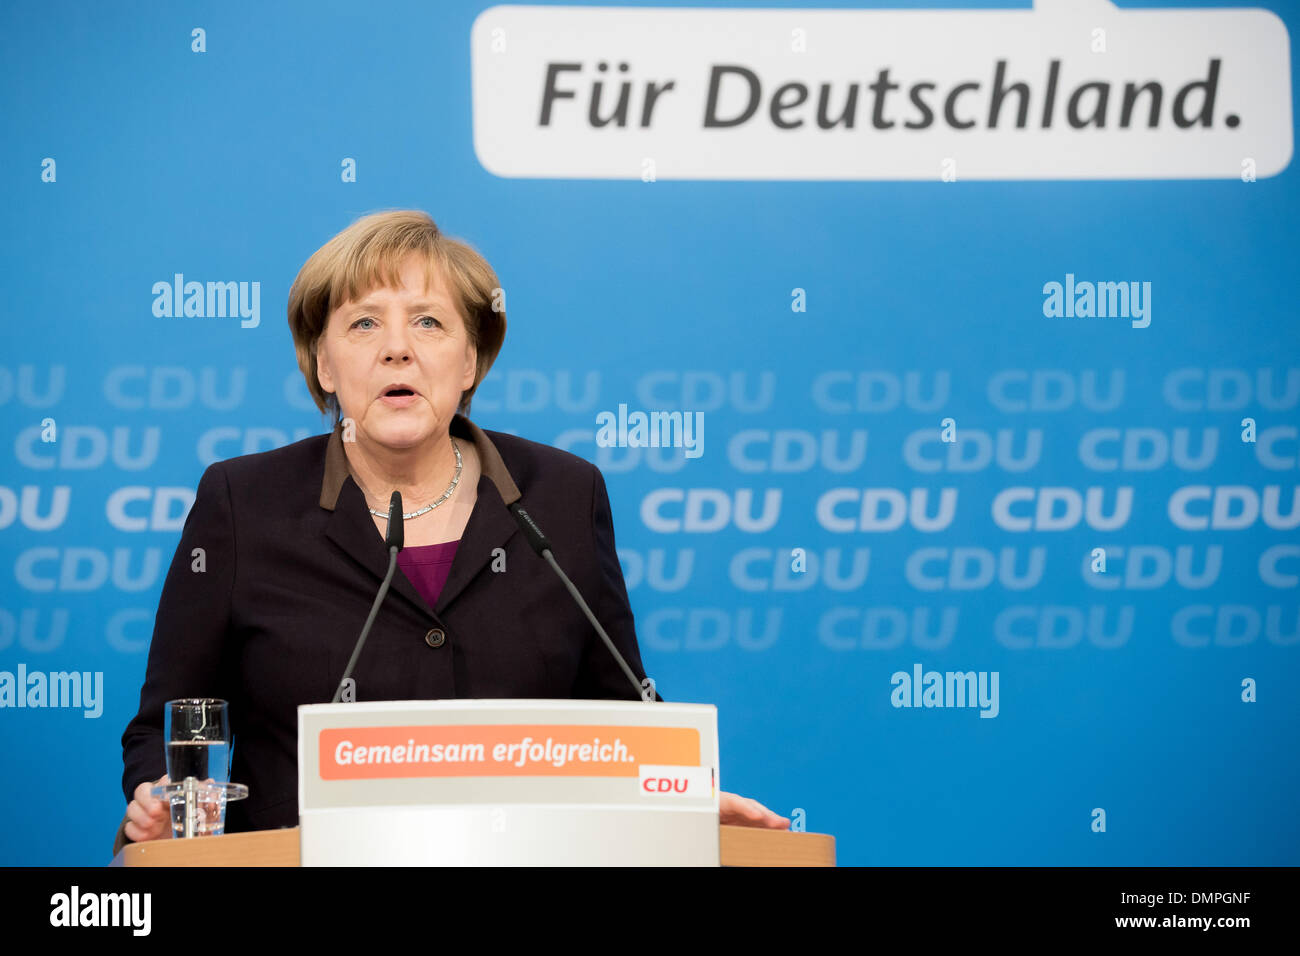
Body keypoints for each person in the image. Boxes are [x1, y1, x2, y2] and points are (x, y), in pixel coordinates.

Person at [115, 210, 787, 854]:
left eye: (429, 323)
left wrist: (685, 797)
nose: (398, 349)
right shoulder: (244, 503)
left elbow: (624, 716)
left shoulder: (560, 497)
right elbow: (167, 724)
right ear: (324, 365)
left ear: (470, 363)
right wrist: (160, 798)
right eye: (364, 324)